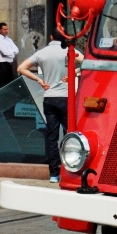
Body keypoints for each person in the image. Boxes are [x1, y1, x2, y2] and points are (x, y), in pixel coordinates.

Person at [17, 30, 84, 183]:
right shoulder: (69, 51)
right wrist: (74, 73)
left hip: (49, 98)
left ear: (51, 37)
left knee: (52, 137)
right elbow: (87, 62)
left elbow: (21, 68)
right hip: (67, 98)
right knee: (71, 135)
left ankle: (54, 174)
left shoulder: (42, 53)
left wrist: (39, 81)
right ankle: (71, 170)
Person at [0, 22, 20, 91]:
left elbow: (17, 50)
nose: (6, 31)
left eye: (7, 29)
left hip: (9, 64)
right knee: (2, 84)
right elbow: (5, 52)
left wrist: (9, 53)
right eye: (4, 29)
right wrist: (11, 53)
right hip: (2, 64)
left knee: (9, 83)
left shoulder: (9, 39)